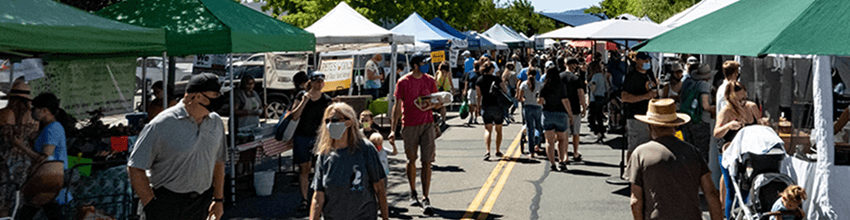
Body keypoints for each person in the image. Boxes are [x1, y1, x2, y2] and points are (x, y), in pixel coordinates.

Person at [127, 74, 227, 220]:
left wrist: (218, 200)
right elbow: (135, 167)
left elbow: (219, 162)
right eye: (215, 95)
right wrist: (151, 205)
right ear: (198, 96)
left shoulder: (215, 122)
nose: (219, 99)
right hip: (167, 202)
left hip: (200, 203)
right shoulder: (162, 124)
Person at [627, 98, 723, 220]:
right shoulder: (693, 152)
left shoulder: (640, 154)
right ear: (676, 125)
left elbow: (635, 201)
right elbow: (711, 194)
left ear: (650, 126)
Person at [309, 103, 389, 220]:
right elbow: (318, 196)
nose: (330, 124)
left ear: (349, 122)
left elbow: (379, 188)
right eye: (327, 121)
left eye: (335, 120)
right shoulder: (324, 154)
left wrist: (385, 218)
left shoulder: (365, 149)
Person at [388, 53, 441, 215]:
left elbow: (436, 101)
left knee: (427, 161)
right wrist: (392, 129)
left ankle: (426, 197)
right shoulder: (403, 82)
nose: (426, 65)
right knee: (412, 159)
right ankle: (413, 192)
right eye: (423, 63)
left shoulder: (430, 80)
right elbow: (397, 106)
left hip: (427, 123)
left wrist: (434, 104)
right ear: (416, 65)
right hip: (409, 125)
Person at [17, 93, 74, 220]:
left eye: (34, 109)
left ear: (44, 110)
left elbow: (44, 157)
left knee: (35, 206)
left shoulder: (52, 129)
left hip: (50, 176)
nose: (33, 112)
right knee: (46, 208)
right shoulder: (49, 128)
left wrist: (20, 146)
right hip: (49, 177)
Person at [714, 81, 764, 218]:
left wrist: (764, 124)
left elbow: (760, 125)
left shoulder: (751, 107)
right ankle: (730, 216)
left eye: (745, 98)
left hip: (749, 154)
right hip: (729, 154)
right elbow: (716, 133)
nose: (743, 102)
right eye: (739, 99)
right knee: (731, 188)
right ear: (730, 98)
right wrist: (729, 126)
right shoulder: (727, 111)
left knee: (747, 190)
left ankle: (741, 216)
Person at [290, 71, 333, 211]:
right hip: (302, 135)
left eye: (322, 81)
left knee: (320, 167)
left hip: (319, 137)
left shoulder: (326, 99)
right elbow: (294, 116)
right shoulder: (301, 96)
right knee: (304, 168)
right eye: (317, 81)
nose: (319, 84)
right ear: (311, 82)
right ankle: (304, 199)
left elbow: (330, 119)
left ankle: (318, 197)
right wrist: (304, 101)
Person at [0, 80, 39, 218]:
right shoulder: (34, 118)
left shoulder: (4, 113)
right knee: (17, 199)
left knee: (2, 200)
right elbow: (33, 138)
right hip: (25, 162)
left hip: (4, 162)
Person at [622, 52, 658, 160]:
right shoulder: (631, 77)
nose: (647, 62)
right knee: (635, 147)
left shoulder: (649, 74)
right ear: (637, 61)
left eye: (648, 59)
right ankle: (630, 171)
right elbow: (624, 97)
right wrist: (644, 96)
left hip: (650, 116)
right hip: (635, 116)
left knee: (648, 146)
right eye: (644, 59)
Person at [679, 63, 715, 163]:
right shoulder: (704, 85)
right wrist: (715, 108)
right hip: (701, 121)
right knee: (702, 152)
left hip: (688, 119)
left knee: (690, 150)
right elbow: (705, 106)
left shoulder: (688, 82)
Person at [540, 68, 573, 171]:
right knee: (562, 139)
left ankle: (552, 164)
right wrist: (570, 114)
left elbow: (540, 101)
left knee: (549, 141)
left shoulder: (544, 86)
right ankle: (561, 161)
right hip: (561, 114)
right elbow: (565, 100)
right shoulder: (561, 86)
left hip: (548, 114)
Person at [476, 61, 506, 160]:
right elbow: (505, 91)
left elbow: (478, 95)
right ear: (492, 69)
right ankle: (497, 150)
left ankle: (488, 150)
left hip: (486, 106)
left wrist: (478, 107)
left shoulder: (479, 80)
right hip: (498, 106)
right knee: (498, 129)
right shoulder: (497, 79)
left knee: (488, 129)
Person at [561, 58, 587, 163]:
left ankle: (565, 154)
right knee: (576, 133)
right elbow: (581, 93)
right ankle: (575, 152)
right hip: (575, 108)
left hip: (562, 109)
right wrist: (584, 106)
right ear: (574, 65)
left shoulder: (559, 77)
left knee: (565, 134)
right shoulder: (576, 78)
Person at [517, 67, 543, 157]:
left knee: (529, 128)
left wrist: (524, 99)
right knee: (538, 126)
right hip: (537, 107)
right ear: (536, 75)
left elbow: (520, 98)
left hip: (527, 107)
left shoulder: (524, 84)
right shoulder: (540, 84)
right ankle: (537, 143)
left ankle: (531, 151)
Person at [588, 60, 610, 142]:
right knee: (599, 116)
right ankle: (601, 132)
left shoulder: (595, 76)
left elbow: (593, 86)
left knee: (592, 118)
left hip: (595, 98)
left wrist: (590, 87)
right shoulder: (602, 75)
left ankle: (598, 132)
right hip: (602, 96)